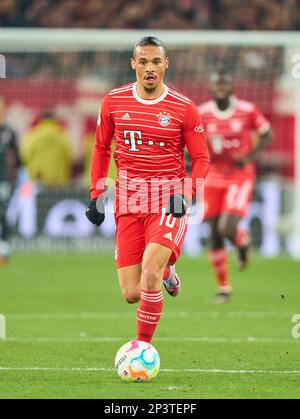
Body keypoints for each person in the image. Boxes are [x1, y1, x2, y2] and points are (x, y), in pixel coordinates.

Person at [86, 36, 210, 343]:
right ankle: (169, 272)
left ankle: (142, 349)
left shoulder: (184, 108)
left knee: (150, 273)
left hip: (169, 201)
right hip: (128, 202)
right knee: (131, 292)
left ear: (166, 64)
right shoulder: (113, 101)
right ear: (133, 65)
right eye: (143, 61)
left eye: (156, 61)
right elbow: (101, 149)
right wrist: (96, 195)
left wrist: (187, 194)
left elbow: (202, 159)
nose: (150, 68)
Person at [198, 69, 272, 303]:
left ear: (231, 86)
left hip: (239, 175)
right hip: (213, 175)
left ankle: (242, 241)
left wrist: (249, 157)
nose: (220, 87)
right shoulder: (203, 113)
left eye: (224, 83)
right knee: (213, 232)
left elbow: (267, 134)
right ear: (211, 86)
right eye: (216, 84)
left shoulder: (247, 110)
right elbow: (194, 140)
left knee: (226, 227)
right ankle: (223, 288)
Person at [21, 111, 72, 187]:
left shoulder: (34, 135)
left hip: (38, 180)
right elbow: (69, 156)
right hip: (58, 181)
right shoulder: (62, 136)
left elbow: (25, 155)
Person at [0, 95, 20, 265]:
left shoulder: (10, 132)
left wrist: (16, 177)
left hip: (4, 180)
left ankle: (4, 250)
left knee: (2, 213)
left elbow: (17, 158)